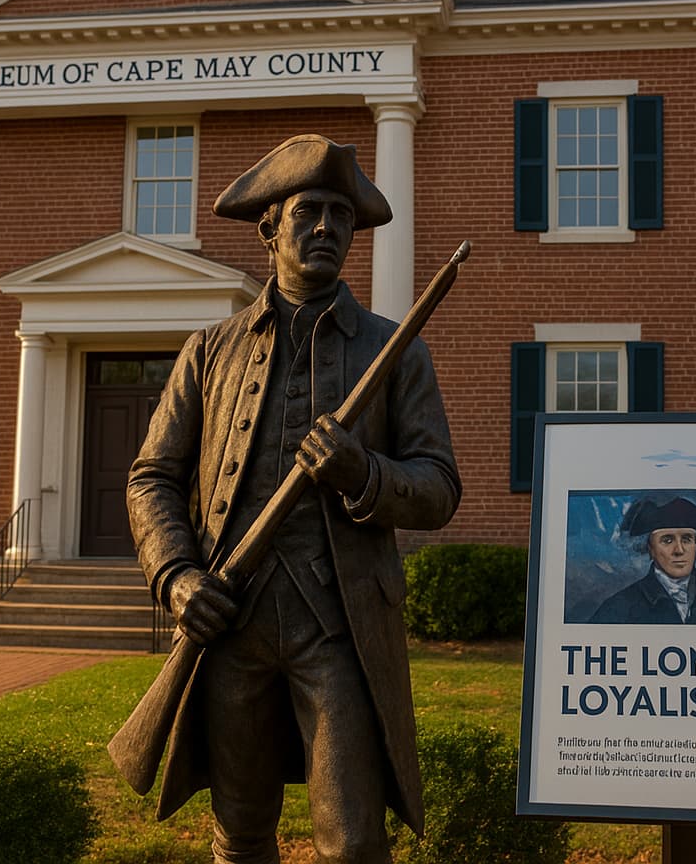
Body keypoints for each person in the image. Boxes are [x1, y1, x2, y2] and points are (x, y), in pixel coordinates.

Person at [127, 134, 461, 864]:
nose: (327, 229)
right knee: (239, 835)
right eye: (309, 211)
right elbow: (152, 475)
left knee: (353, 843)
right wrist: (176, 576)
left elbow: (439, 486)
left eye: (343, 217)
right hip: (231, 624)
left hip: (339, 630)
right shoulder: (209, 350)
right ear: (268, 227)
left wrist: (364, 474)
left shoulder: (391, 348)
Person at [587, 496, 696, 625]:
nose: (679, 550)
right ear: (650, 548)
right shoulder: (619, 608)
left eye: (686, 539)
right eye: (667, 540)